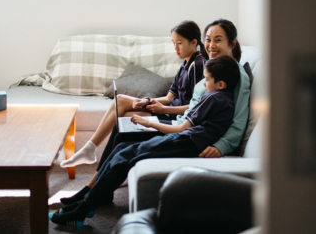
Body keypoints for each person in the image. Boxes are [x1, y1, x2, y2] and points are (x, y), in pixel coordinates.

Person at [59, 18, 251, 206]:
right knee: (121, 129)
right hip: (182, 125)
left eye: (218, 40)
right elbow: (188, 104)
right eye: (208, 39)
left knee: (123, 136)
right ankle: (94, 188)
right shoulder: (213, 67)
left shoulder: (233, 74)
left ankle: (94, 190)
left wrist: (222, 146)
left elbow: (238, 120)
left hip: (188, 133)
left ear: (232, 43)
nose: (211, 45)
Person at [49, 55, 241, 230]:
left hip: (187, 141)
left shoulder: (213, 98)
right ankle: (88, 203)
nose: (204, 83)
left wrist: (149, 123)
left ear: (221, 84)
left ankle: (81, 212)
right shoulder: (222, 97)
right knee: (123, 147)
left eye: (207, 79)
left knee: (125, 157)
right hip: (187, 139)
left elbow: (182, 129)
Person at [60, 20, 207, 168]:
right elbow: (169, 98)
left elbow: (195, 107)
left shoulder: (198, 65)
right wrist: (148, 101)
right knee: (121, 100)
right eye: (173, 42)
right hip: (168, 111)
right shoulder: (184, 64)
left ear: (193, 42)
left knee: (125, 117)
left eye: (179, 43)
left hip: (176, 118)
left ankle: (106, 165)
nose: (175, 47)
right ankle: (90, 149)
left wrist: (163, 110)